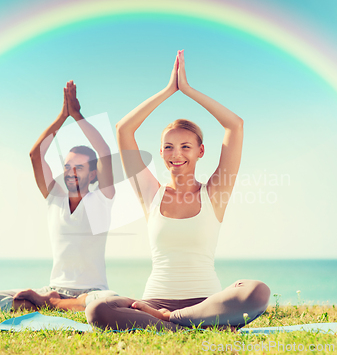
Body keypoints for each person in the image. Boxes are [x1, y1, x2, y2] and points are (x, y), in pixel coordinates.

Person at [86, 51, 270, 330]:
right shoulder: (151, 194)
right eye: (169, 147)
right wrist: (168, 90)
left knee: (257, 290)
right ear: (160, 152)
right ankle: (192, 326)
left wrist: (188, 90)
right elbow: (124, 129)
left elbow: (235, 125)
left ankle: (173, 323)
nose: (177, 154)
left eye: (186, 147)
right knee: (98, 308)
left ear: (200, 152)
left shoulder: (214, 194)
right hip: (154, 302)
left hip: (206, 304)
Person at [0, 81, 117, 313]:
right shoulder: (54, 196)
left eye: (80, 167)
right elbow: (36, 154)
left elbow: (104, 152)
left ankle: (49, 304)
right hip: (54, 287)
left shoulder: (102, 199)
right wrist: (62, 116)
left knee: (108, 301)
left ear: (93, 173)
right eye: (67, 166)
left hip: (92, 291)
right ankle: (56, 302)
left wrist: (77, 116)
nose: (71, 172)